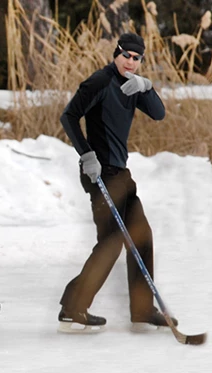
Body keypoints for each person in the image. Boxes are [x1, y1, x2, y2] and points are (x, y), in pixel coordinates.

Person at [57, 33, 172, 333]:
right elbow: (69, 116)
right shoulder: (99, 81)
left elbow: (158, 114)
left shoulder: (133, 84)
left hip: (121, 174)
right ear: (116, 54)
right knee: (111, 241)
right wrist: (86, 154)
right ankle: (73, 308)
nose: (131, 62)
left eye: (137, 58)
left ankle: (142, 310)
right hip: (100, 173)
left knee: (141, 235)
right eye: (126, 56)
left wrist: (147, 86)